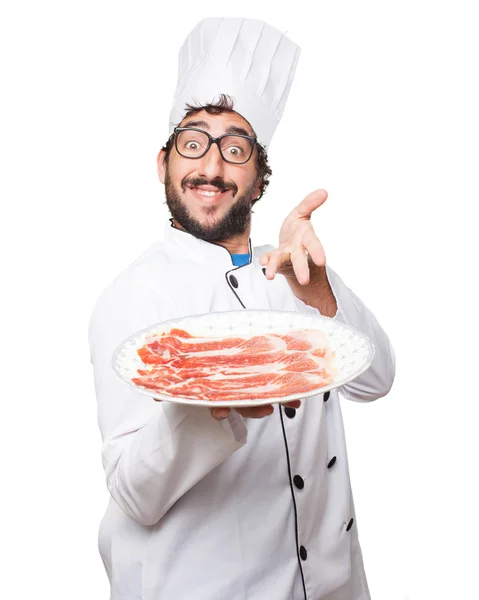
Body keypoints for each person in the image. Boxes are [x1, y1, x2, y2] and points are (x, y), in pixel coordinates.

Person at [89, 17, 396, 600]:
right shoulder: (134, 296)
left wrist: (323, 296)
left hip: (332, 585)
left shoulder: (290, 269)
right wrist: (215, 401)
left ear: (258, 179)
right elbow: (133, 493)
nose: (210, 166)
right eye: (192, 143)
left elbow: (377, 381)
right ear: (164, 164)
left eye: (235, 148)